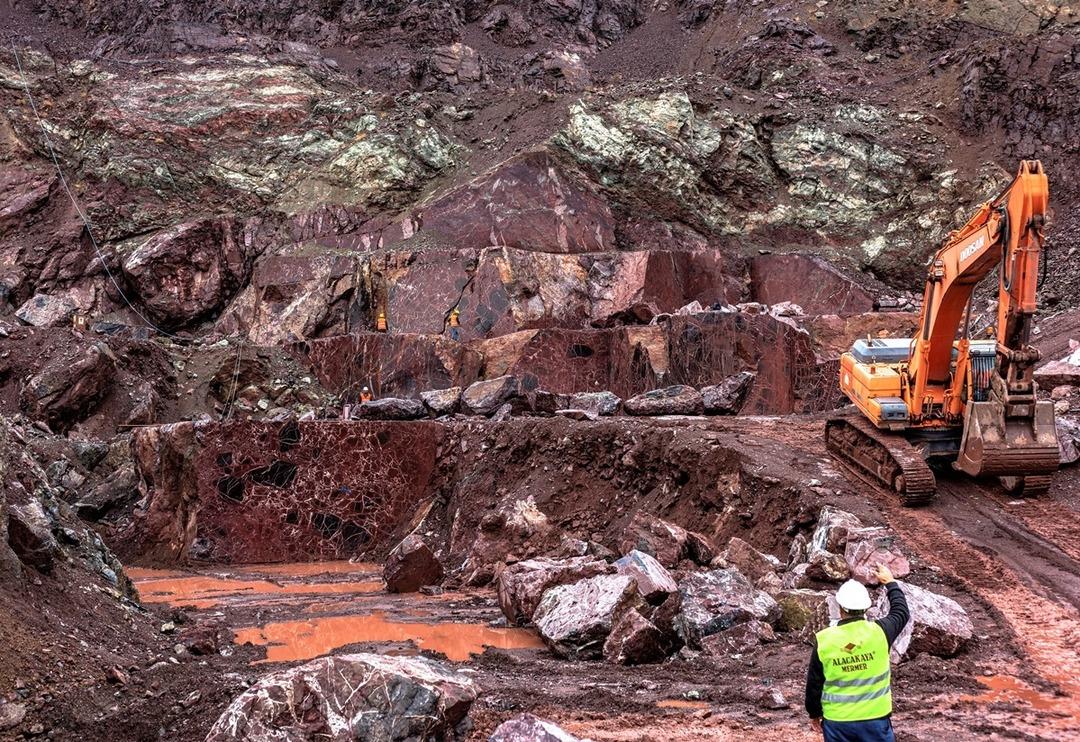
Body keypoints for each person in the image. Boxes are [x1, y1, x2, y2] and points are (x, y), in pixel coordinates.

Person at [805, 564, 910, 742]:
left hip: (838, 722)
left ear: (840, 608)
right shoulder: (880, 632)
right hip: (875, 719)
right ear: (866, 607)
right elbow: (901, 612)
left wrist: (814, 713)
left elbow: (815, 684)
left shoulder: (824, 640)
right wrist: (890, 582)